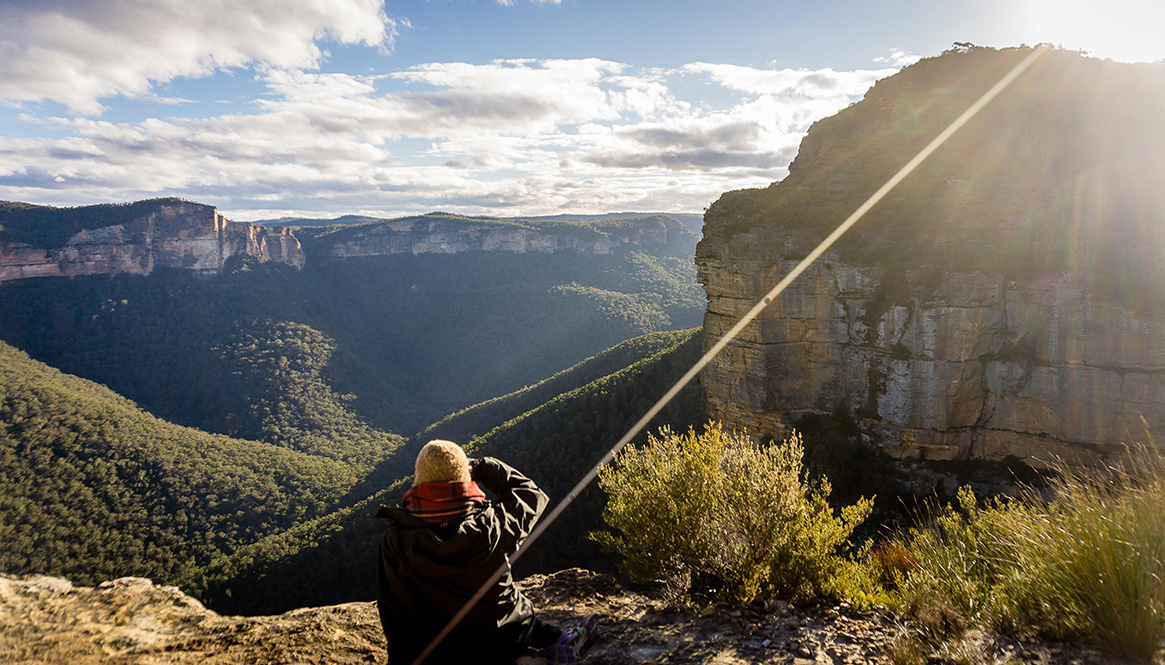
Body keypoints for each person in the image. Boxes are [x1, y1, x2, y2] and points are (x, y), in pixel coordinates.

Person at [375, 440, 596, 664]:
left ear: (419, 483)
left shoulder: (396, 541)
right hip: (502, 641)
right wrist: (481, 467)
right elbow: (530, 492)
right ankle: (548, 646)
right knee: (518, 612)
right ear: (465, 479)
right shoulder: (493, 524)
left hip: (438, 654)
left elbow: (394, 615)